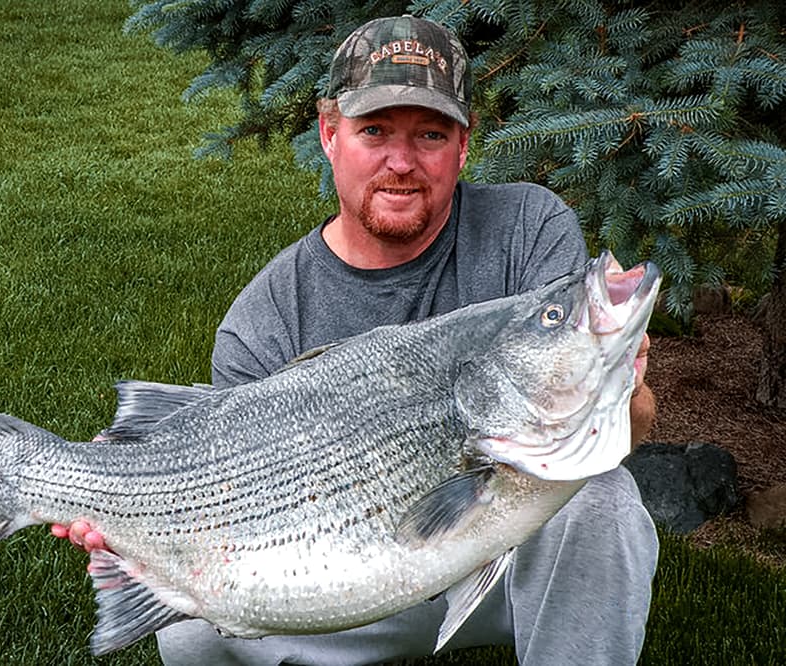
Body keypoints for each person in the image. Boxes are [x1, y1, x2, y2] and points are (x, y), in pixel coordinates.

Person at [57, 15, 659, 665]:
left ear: (462, 145)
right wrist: (120, 505)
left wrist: (615, 379)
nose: (401, 162)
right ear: (329, 134)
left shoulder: (530, 226)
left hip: (509, 559)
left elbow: (627, 427)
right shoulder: (265, 319)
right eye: (375, 131)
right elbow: (226, 496)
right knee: (190, 625)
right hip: (341, 580)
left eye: (430, 134)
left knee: (601, 500)